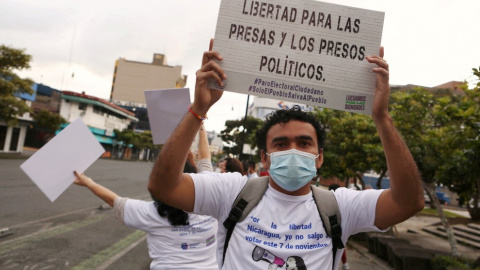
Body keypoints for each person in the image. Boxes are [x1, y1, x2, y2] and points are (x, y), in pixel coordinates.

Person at [148, 39, 424, 269]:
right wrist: (199, 109)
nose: (293, 150)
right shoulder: (232, 192)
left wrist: (382, 117)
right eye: (280, 144)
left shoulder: (342, 207)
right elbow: (164, 187)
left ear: (320, 157)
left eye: (304, 143)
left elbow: (408, 202)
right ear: (264, 157)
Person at [74, 161, 219, 270]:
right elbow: (206, 166)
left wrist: (88, 182)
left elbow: (116, 202)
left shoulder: (153, 213)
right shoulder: (212, 205)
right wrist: (199, 126)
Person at [329, 183, 349, 270]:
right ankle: (345, 263)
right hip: (339, 230)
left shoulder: (328, 201)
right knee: (340, 246)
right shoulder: (342, 202)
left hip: (331, 230)